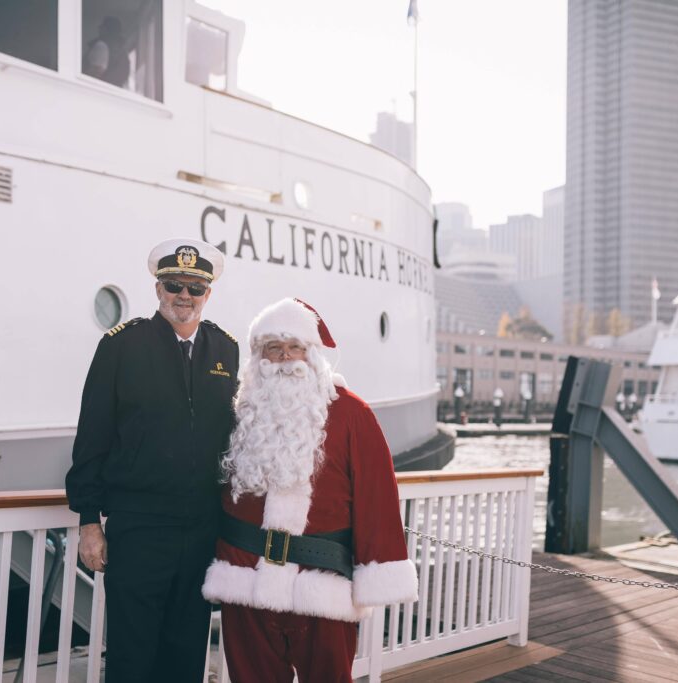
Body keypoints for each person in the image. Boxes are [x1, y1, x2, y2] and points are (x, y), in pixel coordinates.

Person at [202, 298, 418, 682]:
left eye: (295, 347)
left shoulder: (352, 413)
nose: (285, 358)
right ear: (258, 357)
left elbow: (377, 496)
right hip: (245, 579)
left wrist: (377, 568)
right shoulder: (240, 412)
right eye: (273, 348)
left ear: (312, 353)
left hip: (322, 583)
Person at [65, 239, 239, 682]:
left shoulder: (226, 350)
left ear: (208, 293)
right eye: (174, 285)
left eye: (194, 287)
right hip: (140, 529)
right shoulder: (121, 346)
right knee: (131, 657)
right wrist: (89, 521)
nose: (184, 295)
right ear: (158, 289)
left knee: (185, 658)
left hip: (202, 529)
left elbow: (235, 440)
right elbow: (92, 438)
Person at [83, 16, 131, 87]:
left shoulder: (101, 46)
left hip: (97, 91)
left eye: (101, 27)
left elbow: (96, 71)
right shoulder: (122, 52)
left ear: (105, 29)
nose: (99, 29)